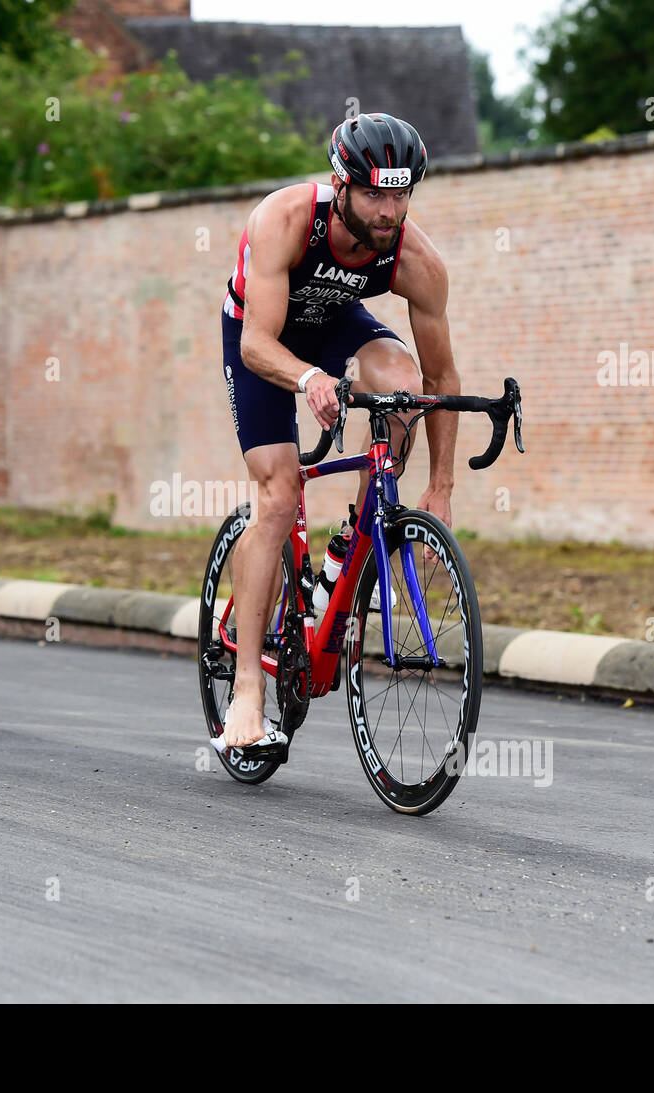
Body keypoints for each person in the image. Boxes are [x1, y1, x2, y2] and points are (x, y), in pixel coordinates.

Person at [218, 111, 462, 750]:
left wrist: (441, 486)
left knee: (404, 387)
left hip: (332, 322)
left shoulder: (416, 259)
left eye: (401, 193)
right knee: (277, 498)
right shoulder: (286, 219)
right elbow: (257, 345)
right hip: (263, 336)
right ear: (342, 185)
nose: (389, 210)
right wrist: (306, 381)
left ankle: (347, 547)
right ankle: (248, 690)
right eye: (376, 194)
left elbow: (440, 375)